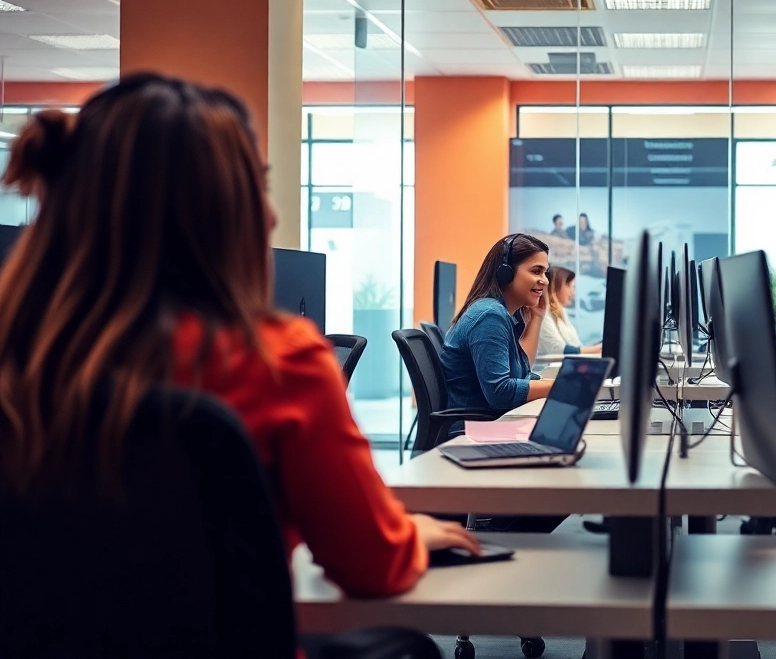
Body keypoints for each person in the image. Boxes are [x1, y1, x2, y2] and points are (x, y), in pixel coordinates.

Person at [0, 74, 479, 603]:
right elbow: (370, 566)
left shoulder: (18, 360)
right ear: (218, 209)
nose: (270, 215)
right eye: (257, 187)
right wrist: (409, 538)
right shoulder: (276, 362)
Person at [440, 233, 555, 430]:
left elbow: (520, 374)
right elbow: (500, 392)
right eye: (536, 271)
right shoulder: (489, 316)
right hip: (473, 431)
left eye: (545, 272)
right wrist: (565, 387)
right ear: (506, 273)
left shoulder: (500, 314)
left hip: (488, 425)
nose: (544, 281)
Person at [537, 266, 602, 359]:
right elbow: (557, 349)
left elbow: (575, 345)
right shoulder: (543, 313)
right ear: (555, 287)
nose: (572, 292)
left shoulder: (560, 313)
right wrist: (595, 349)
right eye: (569, 286)